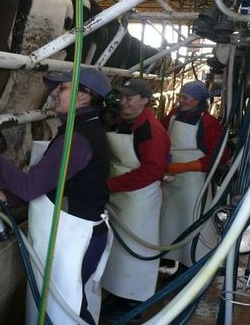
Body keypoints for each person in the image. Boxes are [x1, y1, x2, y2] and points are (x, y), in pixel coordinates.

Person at [0, 68, 113, 324]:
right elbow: (54, 185)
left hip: (75, 238)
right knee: (67, 307)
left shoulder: (76, 138)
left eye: (61, 88)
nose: (53, 93)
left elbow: (32, 187)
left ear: (83, 96)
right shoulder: (85, 128)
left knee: (66, 312)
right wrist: (5, 195)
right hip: (82, 232)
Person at [100, 78, 170, 320]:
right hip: (120, 193)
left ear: (145, 101)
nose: (124, 103)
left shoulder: (151, 130)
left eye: (130, 98)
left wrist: (111, 184)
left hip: (139, 198)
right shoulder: (123, 123)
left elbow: (152, 171)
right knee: (119, 249)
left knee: (135, 248)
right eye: (122, 98)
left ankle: (134, 301)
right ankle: (120, 294)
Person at [159, 80, 223, 271]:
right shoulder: (172, 116)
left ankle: (193, 265)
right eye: (180, 96)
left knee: (192, 221)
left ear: (197, 100)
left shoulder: (209, 123)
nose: (181, 100)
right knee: (169, 222)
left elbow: (218, 157)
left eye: (185, 97)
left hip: (193, 184)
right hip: (170, 180)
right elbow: (161, 138)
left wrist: (182, 167)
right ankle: (169, 258)